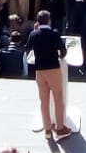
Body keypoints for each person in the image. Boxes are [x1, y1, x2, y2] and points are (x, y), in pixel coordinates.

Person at [27, 11, 69, 139]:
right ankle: (60, 128)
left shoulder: (33, 34)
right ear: (49, 20)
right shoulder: (54, 34)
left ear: (38, 22)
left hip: (40, 71)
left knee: (43, 102)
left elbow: (27, 48)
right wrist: (60, 57)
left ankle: (48, 131)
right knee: (58, 99)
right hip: (53, 69)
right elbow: (63, 50)